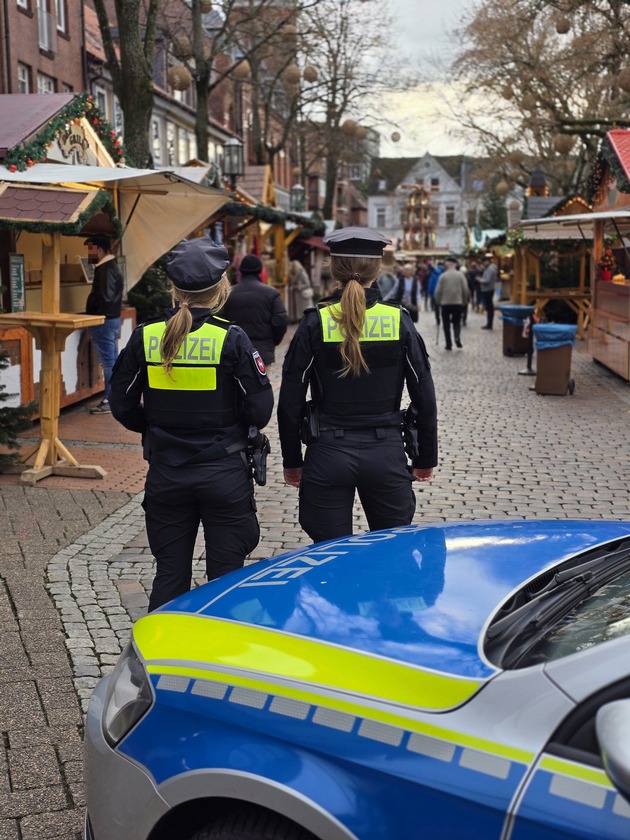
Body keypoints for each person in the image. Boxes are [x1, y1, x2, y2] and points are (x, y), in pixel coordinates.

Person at [108, 237, 274, 611]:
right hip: (224, 471)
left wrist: (153, 427)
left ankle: (159, 660)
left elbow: (121, 403)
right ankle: (219, 657)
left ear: (174, 288)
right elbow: (260, 410)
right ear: (220, 288)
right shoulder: (231, 339)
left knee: (169, 573)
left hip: (167, 471)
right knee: (227, 576)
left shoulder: (146, 336)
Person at [277, 226, 438, 544]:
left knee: (328, 559)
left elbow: (290, 401)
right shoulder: (399, 321)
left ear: (333, 269)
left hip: (327, 453)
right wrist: (425, 459)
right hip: (386, 452)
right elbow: (424, 394)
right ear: (378, 269)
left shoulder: (315, 322)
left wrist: (292, 461)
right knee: (391, 554)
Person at [221, 254, 289, 365]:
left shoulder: (229, 294)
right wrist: (272, 341)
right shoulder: (271, 293)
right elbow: (280, 321)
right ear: (260, 271)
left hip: (235, 351)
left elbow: (220, 321)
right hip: (263, 351)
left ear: (241, 271)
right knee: (263, 381)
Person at [85, 235, 124, 414]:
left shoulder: (106, 269)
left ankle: (109, 400)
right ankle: (115, 397)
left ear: (100, 250)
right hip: (111, 319)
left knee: (108, 361)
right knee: (112, 360)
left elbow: (105, 298)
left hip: (103, 321)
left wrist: (92, 313)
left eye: (91, 249)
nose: (89, 253)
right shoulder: (109, 267)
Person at [434, 256, 469, 350]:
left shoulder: (443, 276)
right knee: (457, 322)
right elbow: (465, 290)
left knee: (446, 324)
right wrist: (464, 301)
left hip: (445, 303)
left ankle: (448, 343)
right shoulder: (460, 275)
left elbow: (438, 291)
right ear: (455, 265)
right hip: (457, 303)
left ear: (447, 265)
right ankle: (457, 337)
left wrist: (437, 302)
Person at [479, 254, 498, 329]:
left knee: (489, 307)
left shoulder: (490, 269)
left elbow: (487, 280)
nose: (483, 263)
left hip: (488, 289)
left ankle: (489, 324)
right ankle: (489, 323)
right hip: (487, 289)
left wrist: (480, 280)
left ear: (487, 261)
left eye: (484, 262)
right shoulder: (488, 269)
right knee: (489, 307)